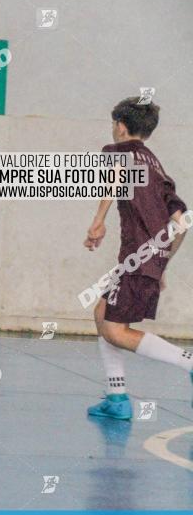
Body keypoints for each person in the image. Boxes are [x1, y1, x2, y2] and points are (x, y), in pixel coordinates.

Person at [84, 97, 192, 419]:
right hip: (148, 256)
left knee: (116, 330)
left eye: (113, 124)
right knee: (102, 313)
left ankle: (189, 361)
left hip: (136, 254)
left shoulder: (117, 152)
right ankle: (117, 398)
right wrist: (162, 263)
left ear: (120, 125)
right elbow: (181, 222)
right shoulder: (157, 167)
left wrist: (98, 220)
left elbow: (115, 179)